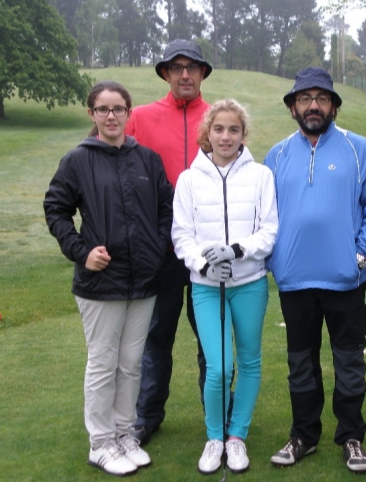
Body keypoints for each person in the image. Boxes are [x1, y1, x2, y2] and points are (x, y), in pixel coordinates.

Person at [44, 81, 174, 476]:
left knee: (132, 363)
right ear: (92, 114)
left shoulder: (147, 160)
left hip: (144, 282)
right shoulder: (78, 160)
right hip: (101, 284)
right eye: (103, 109)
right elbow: (56, 209)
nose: (112, 116)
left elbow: (166, 209)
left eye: (118, 108)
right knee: (104, 363)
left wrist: (157, 248)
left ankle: (123, 435)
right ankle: (100, 443)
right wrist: (83, 253)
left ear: (128, 113)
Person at [264, 67, 366, 474]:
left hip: (345, 280)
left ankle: (351, 435)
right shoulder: (278, 155)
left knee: (349, 362)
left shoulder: (358, 149)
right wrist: (274, 260)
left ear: (334, 106)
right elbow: (263, 216)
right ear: (293, 108)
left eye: (321, 98)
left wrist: (361, 255)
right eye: (305, 98)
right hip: (295, 280)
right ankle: (304, 435)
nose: (313, 105)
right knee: (301, 363)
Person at [172, 99, 278, 474]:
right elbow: (181, 235)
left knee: (249, 362)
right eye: (219, 129)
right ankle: (214, 437)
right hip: (205, 287)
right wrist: (203, 262)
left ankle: (236, 438)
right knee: (218, 368)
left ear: (243, 134)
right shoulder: (189, 179)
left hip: (249, 284)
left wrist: (235, 251)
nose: (226, 136)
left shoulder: (261, 176)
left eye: (234, 129)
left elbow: (269, 231)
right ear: (207, 133)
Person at [124, 39, 213, 445]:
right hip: (157, 245)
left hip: (206, 247)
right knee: (155, 334)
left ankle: (219, 417)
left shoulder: (217, 117)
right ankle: (146, 416)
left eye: (192, 67)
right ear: (165, 74)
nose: (184, 75)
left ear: (202, 74)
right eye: (176, 68)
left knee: (209, 335)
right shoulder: (139, 118)